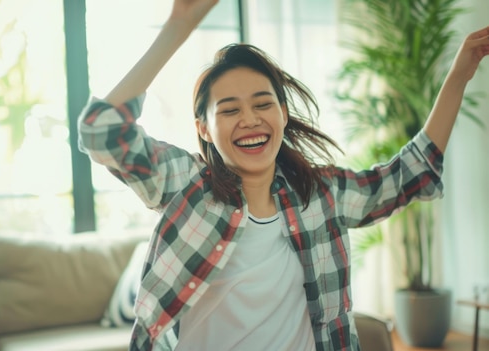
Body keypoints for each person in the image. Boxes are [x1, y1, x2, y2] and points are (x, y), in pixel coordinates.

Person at [78, 0, 489, 350]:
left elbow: (408, 174)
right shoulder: (188, 184)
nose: (250, 120)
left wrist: (459, 74)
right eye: (230, 110)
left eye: (262, 104)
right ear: (203, 127)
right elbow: (102, 132)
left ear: (282, 113)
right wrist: (178, 26)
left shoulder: (320, 194)